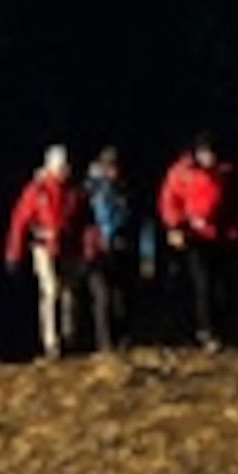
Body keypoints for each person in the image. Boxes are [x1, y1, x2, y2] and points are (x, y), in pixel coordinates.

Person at [157, 132, 238, 349]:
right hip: (194, 237)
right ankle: (204, 330)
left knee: (222, 285)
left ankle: (220, 328)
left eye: (211, 153)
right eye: (204, 153)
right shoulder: (182, 171)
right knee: (202, 283)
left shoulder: (229, 173)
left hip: (223, 236)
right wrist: (175, 226)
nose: (208, 158)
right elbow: (169, 199)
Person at [1, 144, 85, 359]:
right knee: (51, 290)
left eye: (66, 167)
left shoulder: (73, 190)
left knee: (69, 292)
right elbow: (19, 221)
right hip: (43, 246)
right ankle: (51, 342)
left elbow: (82, 221)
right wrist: (13, 253)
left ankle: (69, 336)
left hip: (68, 247)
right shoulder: (36, 191)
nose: (65, 171)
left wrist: (86, 247)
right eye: (61, 167)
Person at [79, 145, 139, 351]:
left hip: (119, 247)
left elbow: (132, 218)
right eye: (109, 166)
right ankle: (104, 341)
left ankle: (122, 336)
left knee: (120, 296)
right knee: (102, 296)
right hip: (96, 249)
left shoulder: (124, 189)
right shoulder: (89, 190)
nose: (113, 170)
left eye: (115, 166)